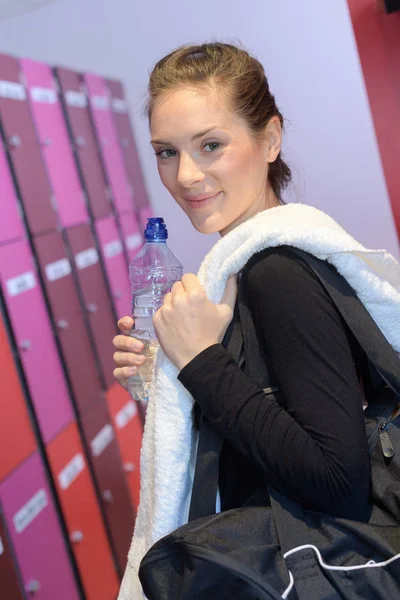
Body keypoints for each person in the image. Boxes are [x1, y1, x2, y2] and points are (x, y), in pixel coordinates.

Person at [113, 41, 372, 521]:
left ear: (270, 139)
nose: (185, 175)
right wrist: (171, 373)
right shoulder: (244, 266)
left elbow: (340, 487)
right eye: (167, 152)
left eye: (211, 145)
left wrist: (200, 361)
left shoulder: (278, 272)